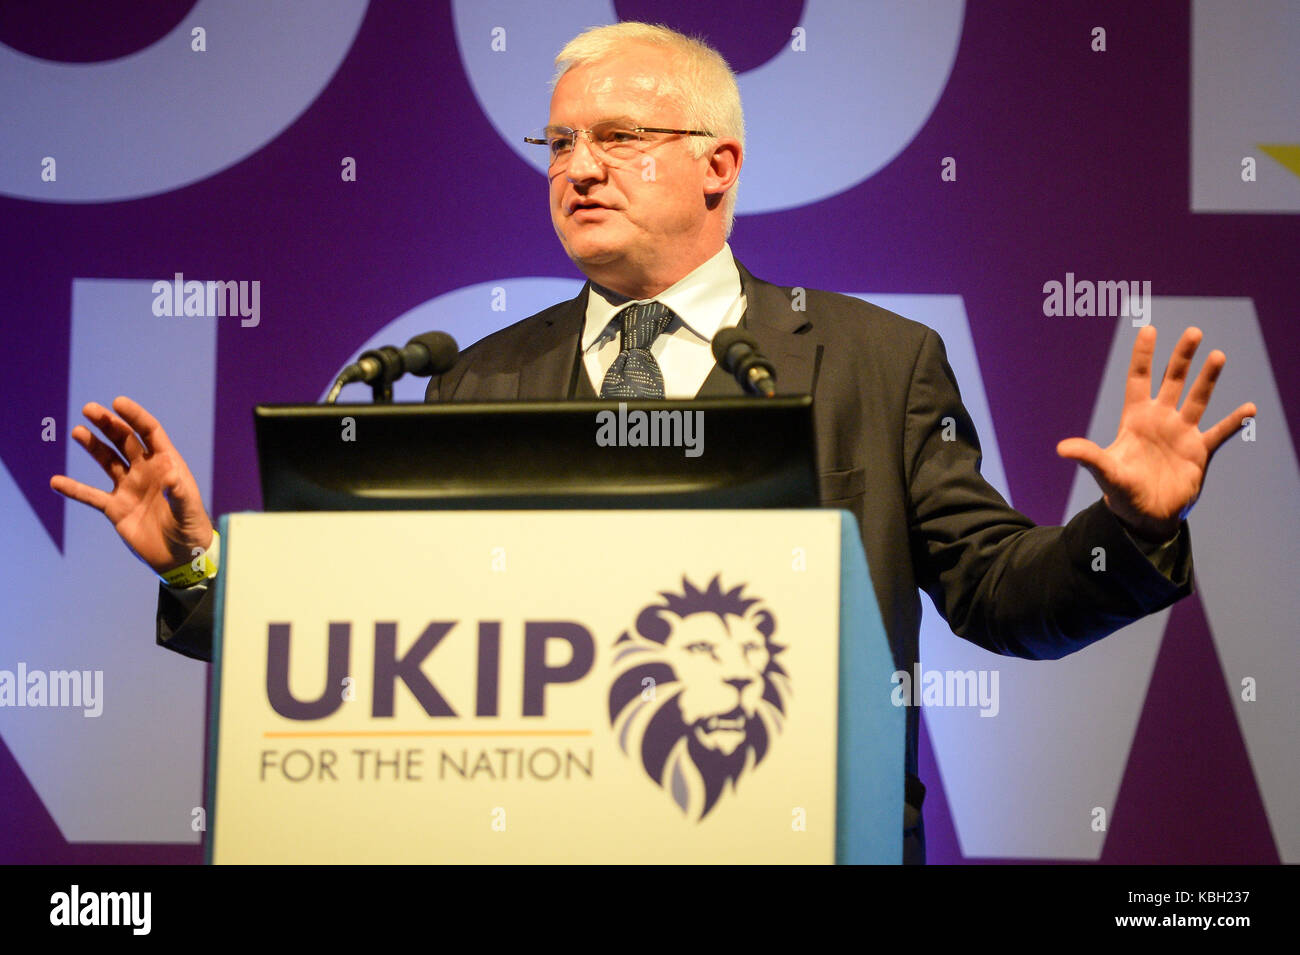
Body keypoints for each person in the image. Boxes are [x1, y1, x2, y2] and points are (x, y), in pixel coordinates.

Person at [50, 22, 1256, 864]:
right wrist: (200, 571)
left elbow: (999, 594)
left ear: (717, 167)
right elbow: (381, 655)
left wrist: (1130, 528)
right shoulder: (481, 378)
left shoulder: (876, 364)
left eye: (617, 138)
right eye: (559, 144)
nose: (577, 168)